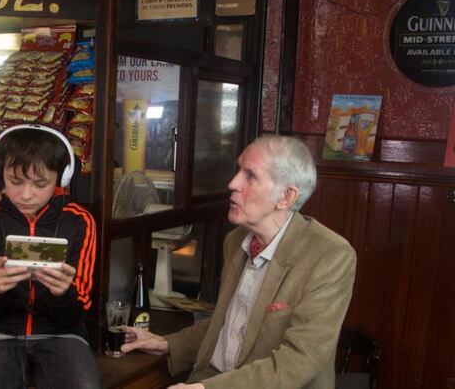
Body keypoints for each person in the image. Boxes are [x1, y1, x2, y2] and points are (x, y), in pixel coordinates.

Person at [122, 135, 356, 389]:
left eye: (251, 176)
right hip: (211, 379)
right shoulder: (236, 241)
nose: (233, 183)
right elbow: (230, 324)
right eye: (238, 171)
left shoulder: (330, 255)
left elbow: (300, 360)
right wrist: (167, 343)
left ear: (286, 196)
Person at [0, 124, 101, 389]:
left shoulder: (80, 222)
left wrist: (64, 293)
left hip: (63, 334)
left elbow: (80, 311)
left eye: (40, 184)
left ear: (61, 179)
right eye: (15, 181)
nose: (26, 194)